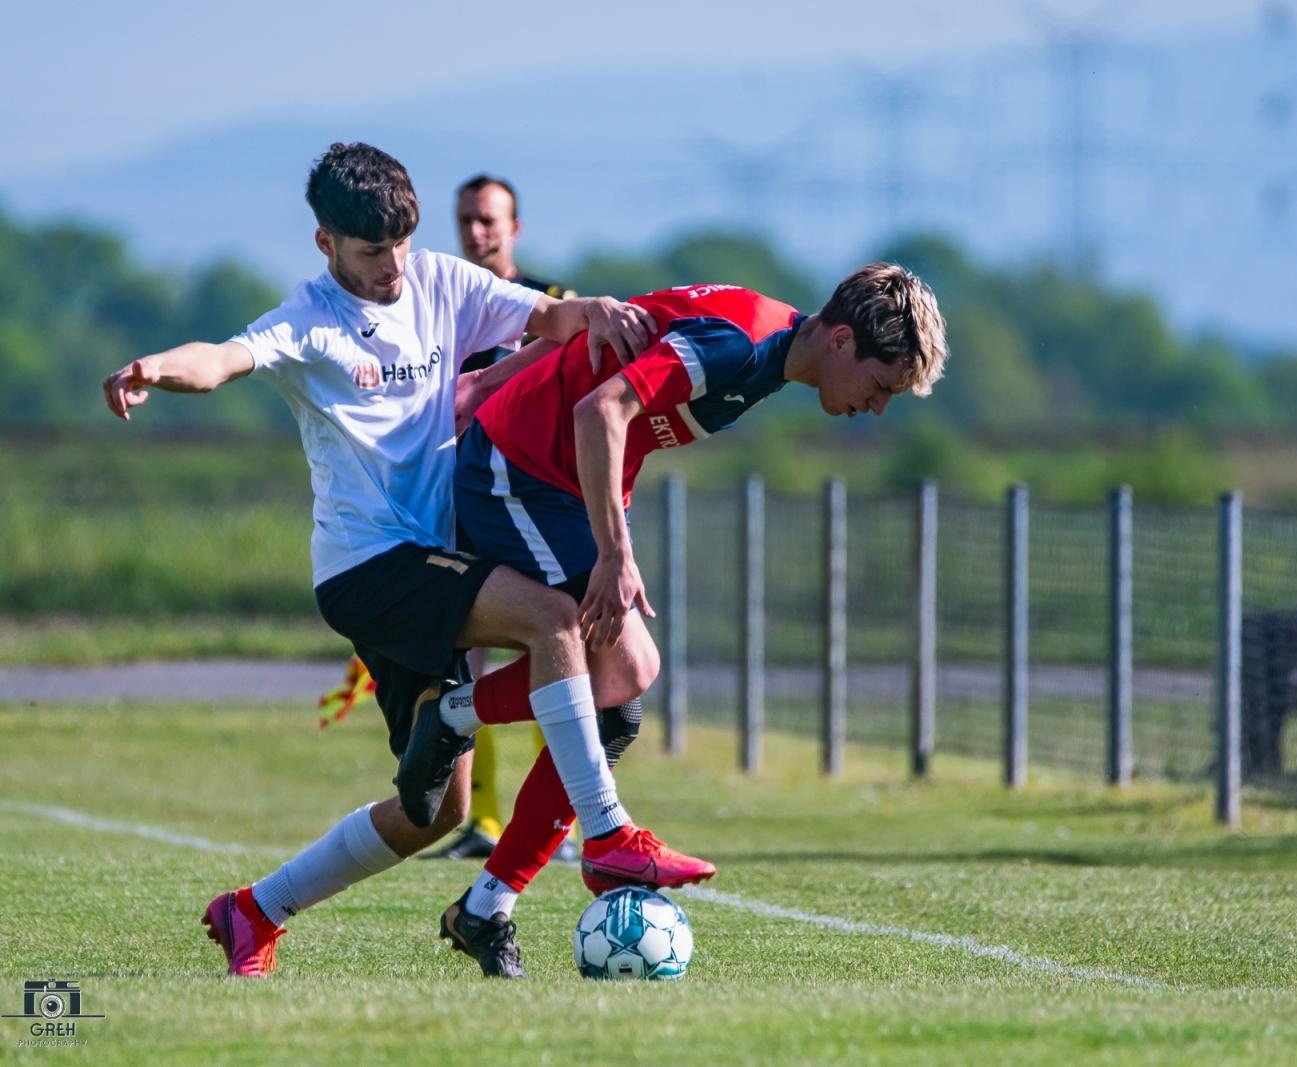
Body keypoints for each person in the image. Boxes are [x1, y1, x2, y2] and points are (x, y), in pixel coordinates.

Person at [101, 142, 702, 978]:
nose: (393, 267)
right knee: (556, 619)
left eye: (402, 244)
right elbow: (223, 358)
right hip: (369, 568)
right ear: (326, 245)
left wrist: (598, 308)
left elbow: (546, 316)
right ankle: (607, 834)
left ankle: (252, 910)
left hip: (435, 564)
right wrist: (156, 368)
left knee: (434, 810)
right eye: (371, 251)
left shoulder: (441, 282)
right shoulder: (307, 318)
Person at [418, 265, 949, 977]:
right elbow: (598, 412)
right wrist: (615, 551)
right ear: (844, 339)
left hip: (560, 486)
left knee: (615, 709)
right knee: (626, 666)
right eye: (880, 388)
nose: (876, 408)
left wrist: (498, 381)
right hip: (518, 469)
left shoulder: (763, 346)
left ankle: (486, 905)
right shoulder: (740, 343)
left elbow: (618, 342)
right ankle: (460, 715)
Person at [419, 173, 586, 863]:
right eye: (465, 220)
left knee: (560, 650)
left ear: (515, 227)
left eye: (488, 220)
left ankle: (562, 822)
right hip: (460, 504)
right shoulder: (441, 309)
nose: (476, 232)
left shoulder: (555, 307)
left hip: (534, 502)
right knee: (466, 661)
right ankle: (481, 818)